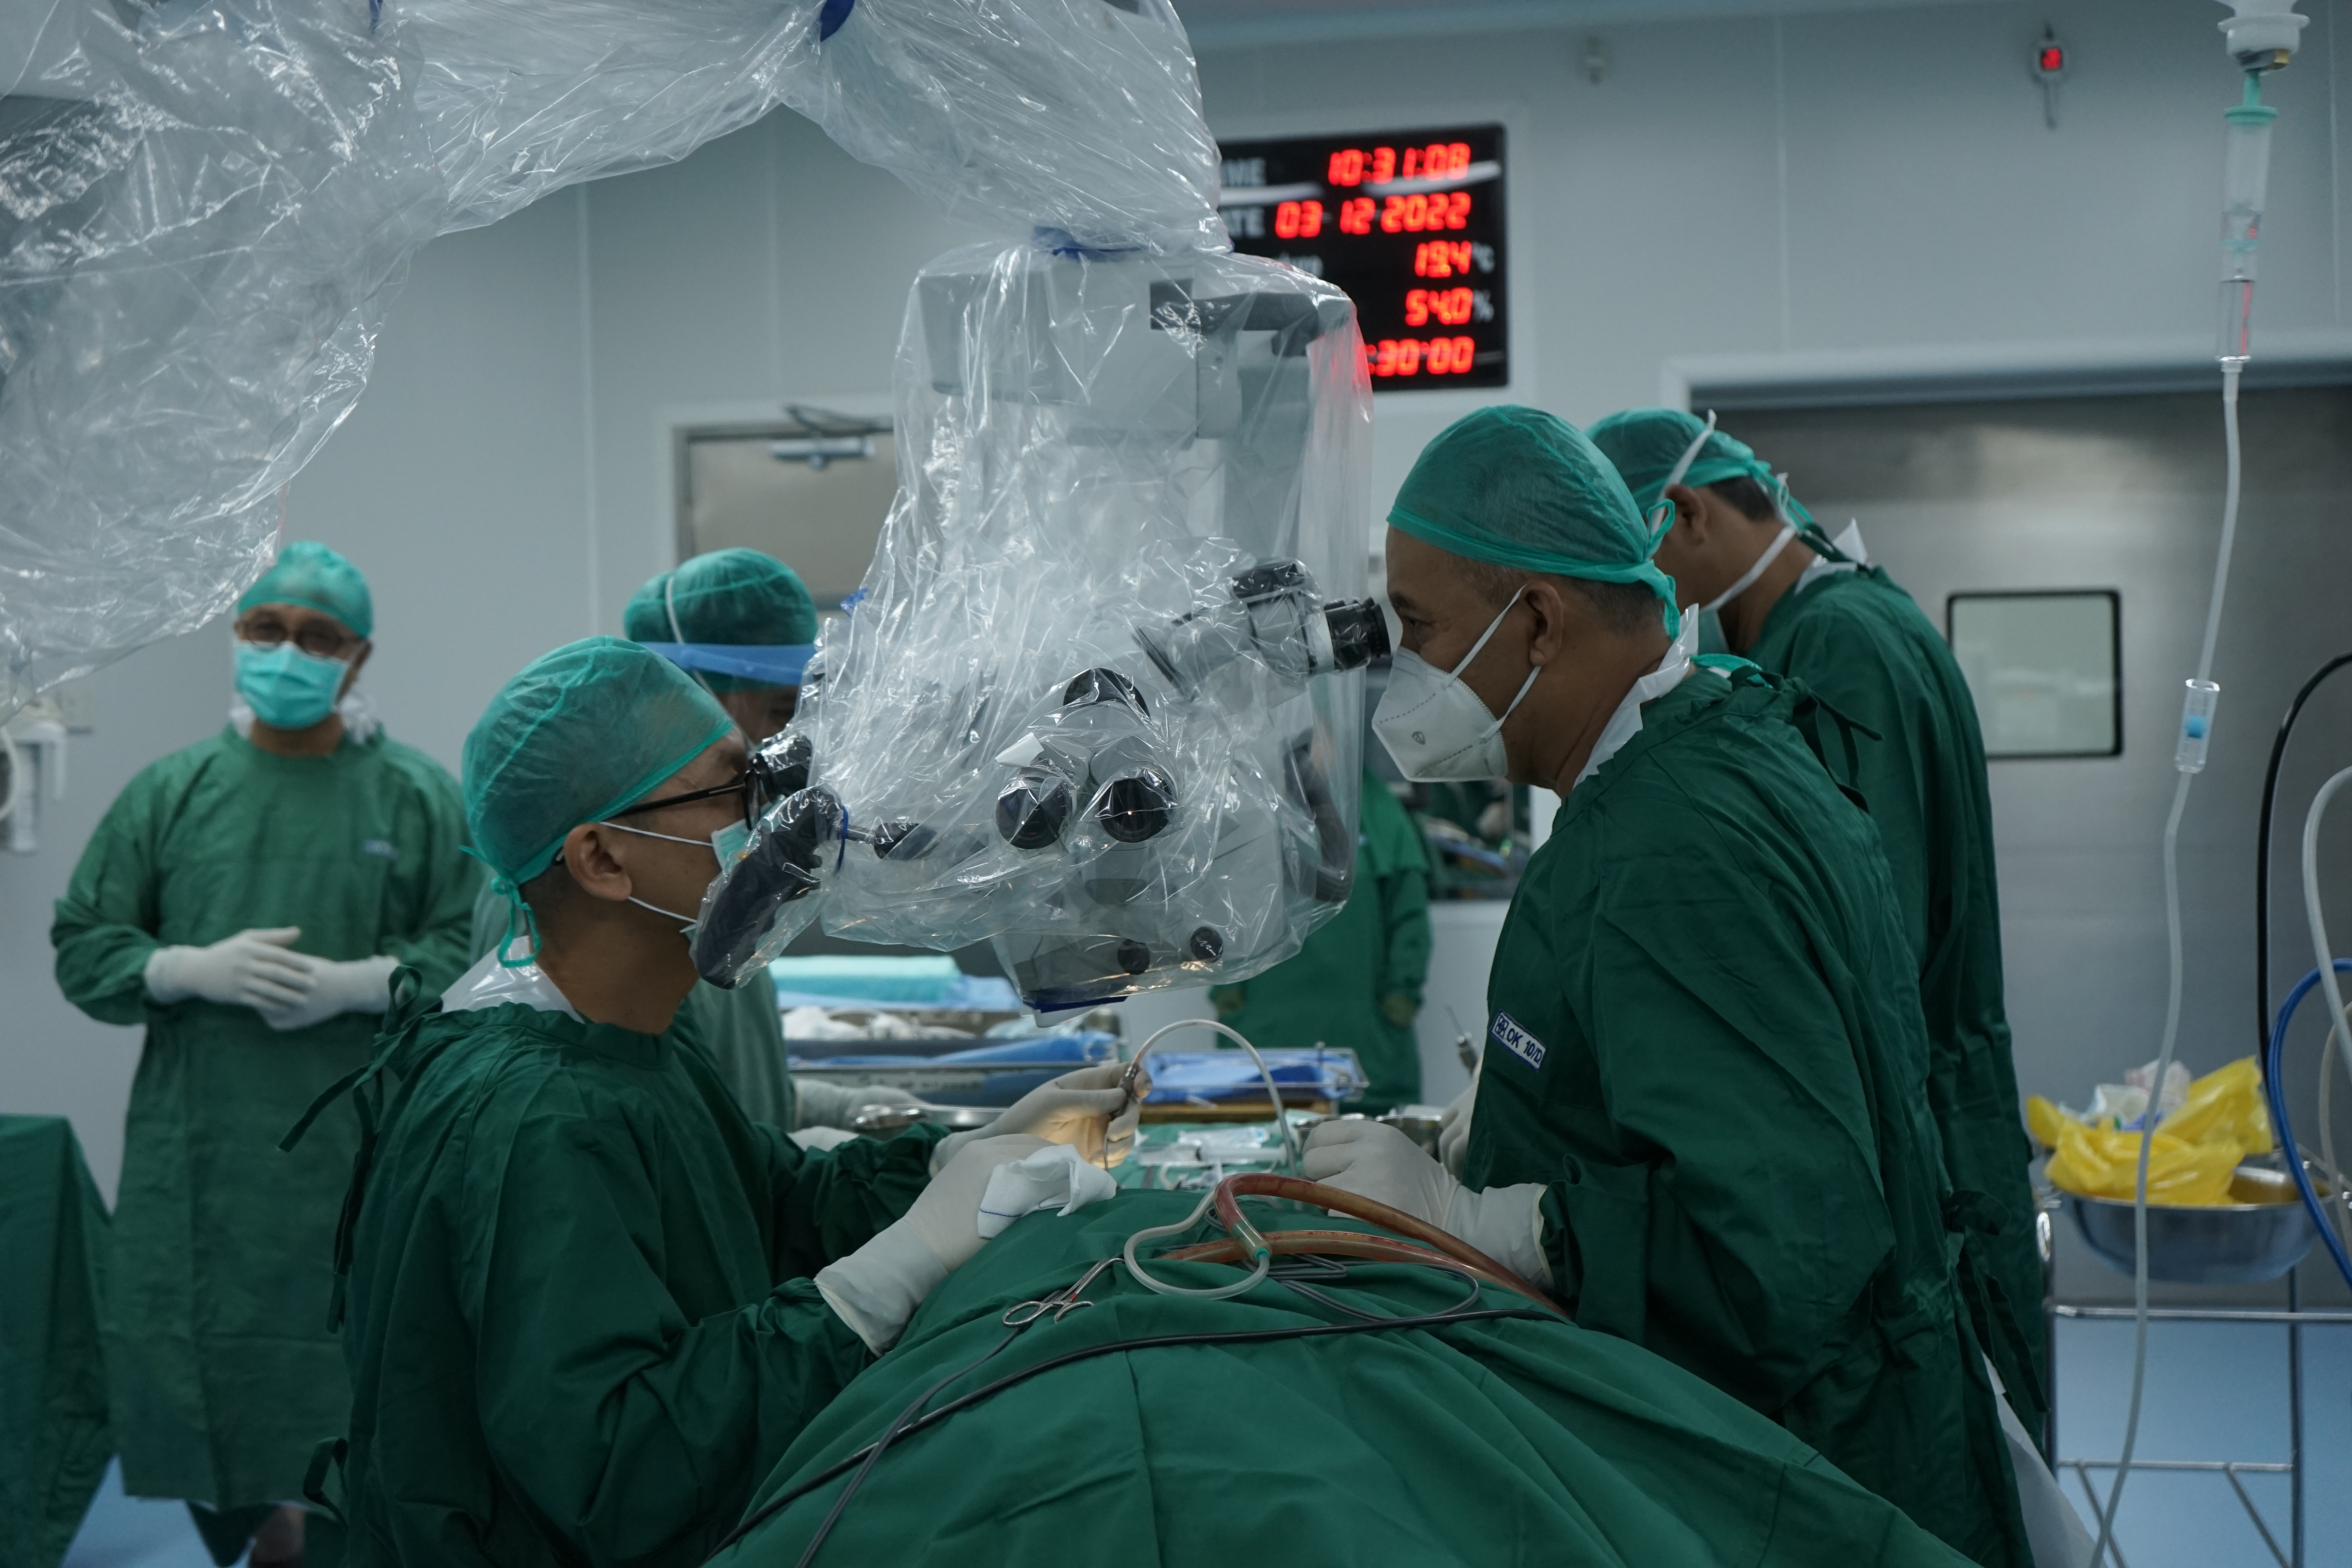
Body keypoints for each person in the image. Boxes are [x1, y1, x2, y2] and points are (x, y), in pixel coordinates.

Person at [1296, 408, 2036, 1568]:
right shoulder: (1706, 746)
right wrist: (1508, 1125)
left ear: (1535, 620)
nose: (1404, 669)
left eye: (1420, 627)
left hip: (1798, 1481)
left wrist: (1486, 1220)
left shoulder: (1674, 845)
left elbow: (1774, 1253)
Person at [308, 638, 1138, 1566]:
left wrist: (951, 1161)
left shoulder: (628, 1043)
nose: (775, 820)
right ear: (601, 858)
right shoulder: (541, 1117)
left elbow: (759, 1203)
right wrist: (881, 1281)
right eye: (732, 792)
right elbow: (622, 1471)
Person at [1589, 407, 2045, 1440]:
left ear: (1685, 514)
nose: (1632, 600)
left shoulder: (1837, 646)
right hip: (1915, 1126)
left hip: (1914, 1148)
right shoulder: (1832, 626)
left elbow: (1855, 944)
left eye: (1631, 562)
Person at [51, 541, 477, 1567]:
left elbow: (468, 955)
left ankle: (325, 1537)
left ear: (359, 658)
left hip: (354, 1162)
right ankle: (261, 1537)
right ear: (238, 637)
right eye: (268, 629)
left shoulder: (414, 796)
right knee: (205, 1393)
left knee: (354, 1381)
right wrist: (184, 970)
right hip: (204, 1171)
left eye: (318, 637)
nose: (290, 651)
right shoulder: (174, 793)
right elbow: (87, 945)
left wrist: (362, 983)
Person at [1210, 765, 1432, 1111]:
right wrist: (1227, 991)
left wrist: (1400, 998)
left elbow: (1409, 918)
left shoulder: (1377, 812)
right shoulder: (1249, 805)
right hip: (1262, 1036)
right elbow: (1216, 912)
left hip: (1365, 1041)